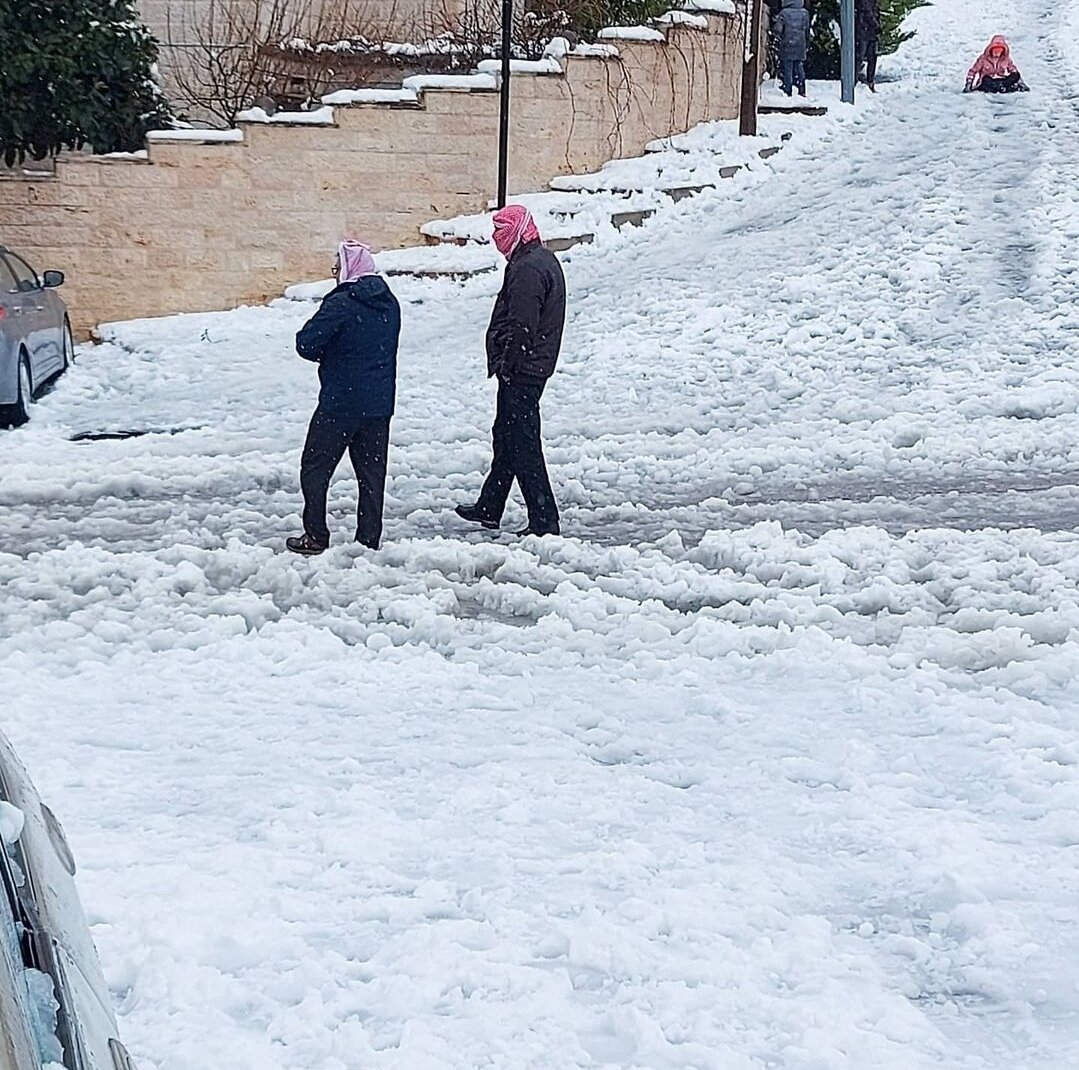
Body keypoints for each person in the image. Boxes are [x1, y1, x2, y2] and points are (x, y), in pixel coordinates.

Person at [455, 205, 566, 538]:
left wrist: (507, 365)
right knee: (507, 437)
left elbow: (522, 325)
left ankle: (544, 520)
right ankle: (490, 505)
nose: (495, 238)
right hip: (530, 367)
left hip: (523, 371)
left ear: (516, 230)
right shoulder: (536, 260)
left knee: (523, 443)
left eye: (500, 230)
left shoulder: (528, 269)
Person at [286, 240, 400, 556]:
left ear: (349, 268)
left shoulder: (341, 304)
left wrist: (332, 354)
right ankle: (368, 539)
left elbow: (306, 343)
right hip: (378, 404)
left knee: (315, 466)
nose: (335, 272)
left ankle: (316, 534)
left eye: (337, 266)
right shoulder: (389, 302)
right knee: (371, 475)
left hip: (341, 402)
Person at [964, 35, 1030, 94]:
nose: (997, 52)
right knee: (986, 79)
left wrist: (1021, 83)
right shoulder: (983, 59)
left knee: (1015, 75)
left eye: (999, 50)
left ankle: (1002, 87)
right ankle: (1002, 88)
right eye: (995, 50)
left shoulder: (1006, 59)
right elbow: (973, 71)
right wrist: (969, 85)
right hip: (988, 82)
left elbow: (1013, 70)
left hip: (1001, 80)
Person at [773, 0, 811, 98]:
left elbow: (778, 30)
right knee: (799, 65)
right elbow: (806, 29)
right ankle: (802, 88)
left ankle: (788, 88)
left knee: (788, 66)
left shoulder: (784, 13)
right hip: (800, 43)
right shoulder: (805, 13)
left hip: (787, 43)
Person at [855, 0, 880, 92]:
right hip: (864, 31)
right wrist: (876, 25)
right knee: (860, 57)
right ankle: (855, 80)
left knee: (871, 57)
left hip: (869, 32)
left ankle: (870, 81)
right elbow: (867, 12)